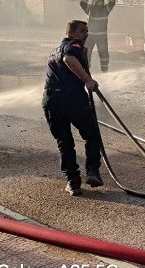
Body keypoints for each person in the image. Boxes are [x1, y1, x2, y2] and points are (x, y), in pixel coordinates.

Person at [42, 20, 104, 196]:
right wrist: (88, 80)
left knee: (65, 143)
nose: (86, 34)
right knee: (92, 134)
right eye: (83, 31)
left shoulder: (55, 50)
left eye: (87, 31)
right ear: (71, 32)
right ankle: (92, 171)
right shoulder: (73, 45)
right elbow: (68, 59)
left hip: (51, 100)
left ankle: (73, 183)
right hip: (72, 98)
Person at [79, 0, 116, 72]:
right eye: (98, 1)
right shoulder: (90, 9)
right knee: (86, 53)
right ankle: (86, 70)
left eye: (101, 1)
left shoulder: (105, 9)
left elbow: (112, 1)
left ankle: (104, 70)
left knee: (104, 54)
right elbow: (82, 2)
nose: (101, 3)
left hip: (101, 36)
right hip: (90, 35)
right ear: (95, 3)